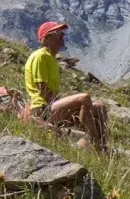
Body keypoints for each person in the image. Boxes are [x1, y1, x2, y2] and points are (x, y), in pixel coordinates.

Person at [24, 21, 108, 152]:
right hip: (41, 108)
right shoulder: (40, 56)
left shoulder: (51, 58)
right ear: (47, 38)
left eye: (62, 33)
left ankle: (102, 148)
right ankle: (94, 142)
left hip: (50, 107)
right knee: (84, 98)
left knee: (100, 108)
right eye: (57, 33)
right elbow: (43, 90)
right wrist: (67, 105)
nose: (62, 35)